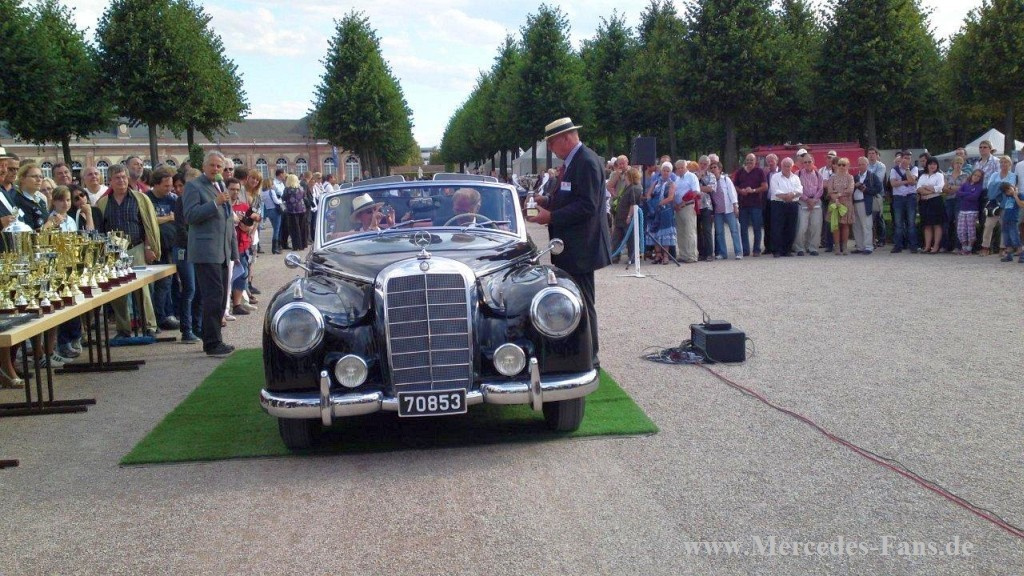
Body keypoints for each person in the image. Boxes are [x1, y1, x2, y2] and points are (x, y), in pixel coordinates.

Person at [527, 117, 611, 367]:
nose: (551, 149)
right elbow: (570, 196)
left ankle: (590, 356)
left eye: (552, 143)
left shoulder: (586, 161)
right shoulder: (575, 161)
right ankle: (579, 351)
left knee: (583, 300)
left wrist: (551, 216)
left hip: (582, 246)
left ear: (565, 138)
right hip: (572, 245)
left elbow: (588, 205)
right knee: (575, 298)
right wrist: (546, 201)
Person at [183, 151, 238, 358]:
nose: (216, 169)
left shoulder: (221, 185)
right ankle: (212, 343)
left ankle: (215, 339)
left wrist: (233, 251)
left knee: (221, 297)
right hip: (205, 251)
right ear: (204, 166)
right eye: (212, 165)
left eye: (219, 166)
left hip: (222, 251)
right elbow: (190, 216)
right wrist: (215, 203)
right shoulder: (194, 186)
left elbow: (228, 222)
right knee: (213, 297)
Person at [97, 164, 161, 337]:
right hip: (114, 253)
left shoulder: (140, 199)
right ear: (110, 181)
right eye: (117, 178)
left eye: (124, 177)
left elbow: (148, 225)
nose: (121, 181)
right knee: (118, 293)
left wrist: (149, 247)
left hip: (137, 248)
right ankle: (123, 329)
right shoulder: (103, 203)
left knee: (143, 291)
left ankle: (150, 326)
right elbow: (100, 230)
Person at [980, 155, 1016, 256]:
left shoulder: (1013, 175)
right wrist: (1002, 186)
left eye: (1006, 162)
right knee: (988, 225)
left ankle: (1003, 248)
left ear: (1010, 164)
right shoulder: (994, 174)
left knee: (1005, 225)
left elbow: (1010, 188)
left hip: (1007, 203)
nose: (1003, 164)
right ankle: (985, 247)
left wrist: (998, 186)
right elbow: (989, 187)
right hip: (994, 203)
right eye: (1002, 162)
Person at [733, 153, 767, 257]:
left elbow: (765, 186)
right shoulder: (740, 172)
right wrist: (740, 191)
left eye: (751, 160)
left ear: (755, 161)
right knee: (743, 228)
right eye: (747, 160)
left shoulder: (760, 171)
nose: (749, 162)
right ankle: (745, 250)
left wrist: (753, 190)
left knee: (757, 228)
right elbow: (734, 186)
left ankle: (756, 250)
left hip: (756, 204)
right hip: (743, 204)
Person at [769, 157, 802, 257]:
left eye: (789, 166)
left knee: (791, 227)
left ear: (792, 167)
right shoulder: (775, 177)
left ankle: (787, 250)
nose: (787, 168)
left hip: (792, 204)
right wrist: (787, 196)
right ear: (781, 166)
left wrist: (792, 194)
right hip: (778, 204)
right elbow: (775, 191)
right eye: (785, 166)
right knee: (777, 227)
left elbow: (799, 190)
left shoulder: (796, 178)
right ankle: (776, 250)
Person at [709, 161, 741, 260]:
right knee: (719, 232)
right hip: (717, 211)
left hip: (729, 209)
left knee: (734, 231)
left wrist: (735, 206)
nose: (713, 169)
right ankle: (723, 253)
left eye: (715, 167)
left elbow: (732, 193)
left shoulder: (726, 180)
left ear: (720, 169)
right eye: (711, 168)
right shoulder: (710, 182)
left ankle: (738, 252)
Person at [890, 151, 919, 253]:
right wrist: (906, 181)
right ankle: (898, 245)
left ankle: (913, 246)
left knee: (911, 222)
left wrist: (907, 169)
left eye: (909, 158)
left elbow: (912, 180)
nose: (907, 160)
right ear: (901, 158)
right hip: (898, 197)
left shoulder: (914, 169)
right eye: (905, 158)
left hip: (910, 197)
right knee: (898, 223)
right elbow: (893, 184)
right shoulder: (894, 170)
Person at [794, 154, 824, 256]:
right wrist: (807, 199)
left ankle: (813, 248)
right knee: (802, 226)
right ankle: (800, 248)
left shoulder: (818, 174)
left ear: (813, 162)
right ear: (802, 163)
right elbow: (797, 189)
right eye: (805, 162)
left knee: (816, 226)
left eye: (809, 162)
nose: (807, 164)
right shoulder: (797, 174)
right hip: (803, 201)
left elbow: (821, 189)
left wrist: (814, 200)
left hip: (816, 202)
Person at [672, 160, 700, 263]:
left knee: (690, 231)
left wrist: (683, 202)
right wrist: (675, 204)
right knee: (681, 232)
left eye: (682, 168)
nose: (680, 170)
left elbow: (695, 191)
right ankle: (683, 254)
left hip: (688, 206)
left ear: (686, 167)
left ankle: (692, 255)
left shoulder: (692, 177)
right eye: (678, 168)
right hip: (678, 208)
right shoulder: (676, 179)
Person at [917, 156, 946, 254]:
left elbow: (939, 188)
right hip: (925, 203)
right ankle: (927, 246)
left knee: (937, 224)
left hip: (935, 202)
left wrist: (927, 188)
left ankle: (936, 246)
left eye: (934, 164)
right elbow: (919, 188)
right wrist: (930, 190)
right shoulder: (923, 176)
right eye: (930, 164)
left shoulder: (939, 175)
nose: (932, 166)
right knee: (927, 225)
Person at [853, 157, 881, 254]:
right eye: (859, 164)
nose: (861, 166)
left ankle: (868, 247)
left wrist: (866, 189)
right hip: (855, 203)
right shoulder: (855, 177)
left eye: (863, 164)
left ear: (867, 165)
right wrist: (855, 186)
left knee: (867, 225)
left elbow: (878, 189)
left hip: (865, 203)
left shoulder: (872, 176)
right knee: (856, 226)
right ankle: (860, 246)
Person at [827, 158, 855, 255]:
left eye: (844, 165)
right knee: (835, 225)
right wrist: (835, 198)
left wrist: (838, 194)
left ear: (848, 166)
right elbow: (830, 191)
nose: (841, 167)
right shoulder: (832, 177)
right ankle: (837, 247)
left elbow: (850, 190)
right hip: (835, 204)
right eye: (839, 164)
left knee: (845, 225)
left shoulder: (850, 177)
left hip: (846, 204)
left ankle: (845, 247)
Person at [955, 169, 985, 255]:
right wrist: (968, 193)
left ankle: (969, 248)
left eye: (978, 176)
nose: (976, 177)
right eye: (975, 175)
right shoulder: (965, 184)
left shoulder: (979, 186)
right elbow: (958, 193)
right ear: (972, 175)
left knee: (971, 230)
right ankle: (963, 246)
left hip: (972, 210)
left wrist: (964, 194)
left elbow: (974, 197)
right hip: (962, 210)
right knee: (961, 229)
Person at [942, 156, 968, 253]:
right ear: (953, 164)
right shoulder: (947, 175)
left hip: (960, 201)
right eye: (957, 163)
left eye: (960, 163)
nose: (958, 165)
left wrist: (951, 187)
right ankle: (945, 245)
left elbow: (964, 188)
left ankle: (957, 246)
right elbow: (944, 189)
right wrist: (956, 188)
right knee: (946, 223)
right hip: (949, 200)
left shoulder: (965, 175)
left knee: (958, 223)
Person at [998, 182, 1024, 262]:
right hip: (1005, 220)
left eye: (1009, 189)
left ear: (1012, 187)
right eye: (1006, 191)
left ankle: (1022, 255)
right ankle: (1009, 255)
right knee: (1006, 239)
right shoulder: (1007, 196)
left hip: (1013, 220)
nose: (1009, 192)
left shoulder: (1020, 195)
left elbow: (1021, 205)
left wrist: (1015, 195)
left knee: (1015, 238)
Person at [281, 174, 307, 251]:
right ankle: (303, 244)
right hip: (302, 209)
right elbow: (304, 197)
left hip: (292, 211)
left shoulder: (287, 189)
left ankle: (296, 246)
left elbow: (283, 198)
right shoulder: (301, 188)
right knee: (302, 228)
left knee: (294, 229)